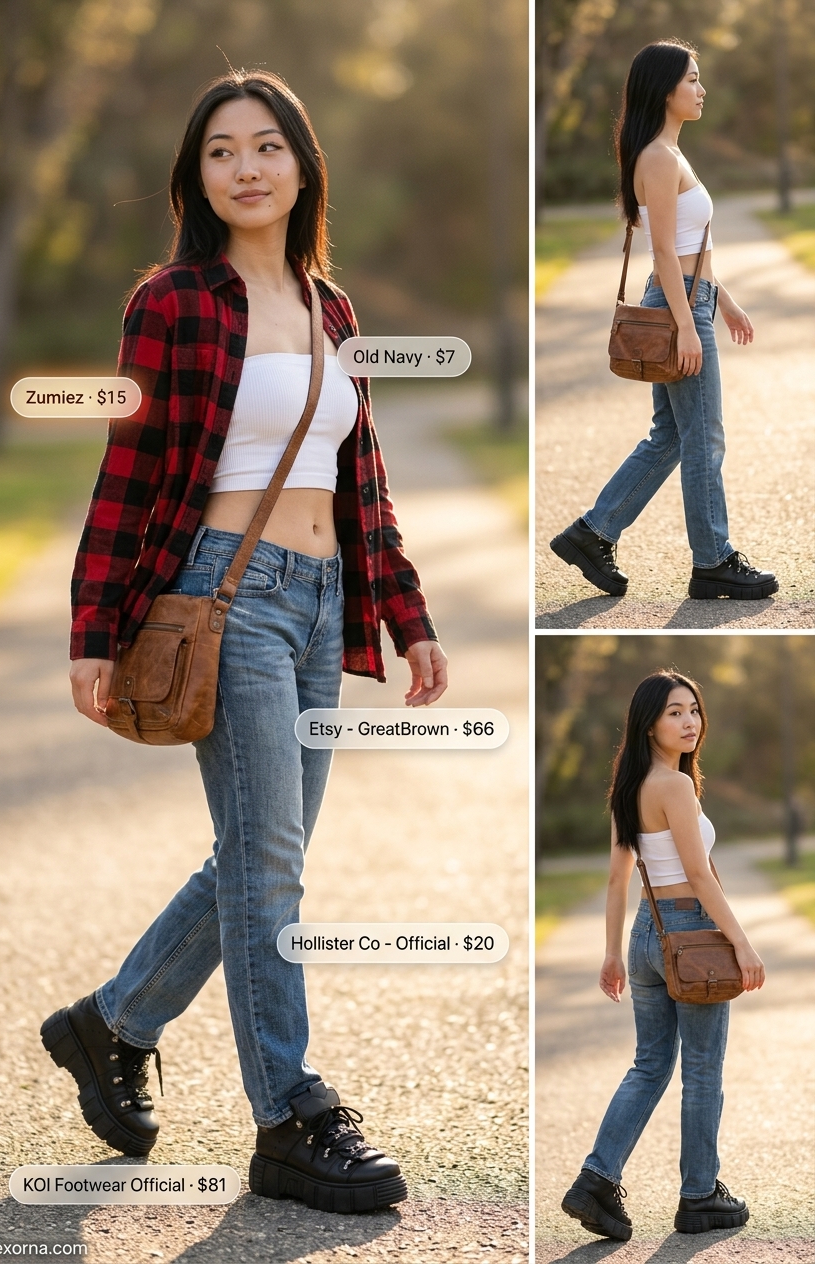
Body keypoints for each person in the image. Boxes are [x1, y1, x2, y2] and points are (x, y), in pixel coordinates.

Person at [39, 69, 448, 1216]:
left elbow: (363, 480)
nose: (246, 168)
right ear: (197, 176)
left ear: (303, 166)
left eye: (266, 146)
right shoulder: (172, 303)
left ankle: (110, 1022)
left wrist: (406, 615)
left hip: (320, 601)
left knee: (259, 858)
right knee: (269, 862)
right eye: (221, 151)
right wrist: (92, 630)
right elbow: (125, 470)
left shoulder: (333, 310)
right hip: (228, 596)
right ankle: (290, 1113)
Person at [550, 40, 778, 601]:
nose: (702, 90)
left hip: (691, 302)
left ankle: (593, 533)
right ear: (664, 88)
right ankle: (714, 561)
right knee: (704, 438)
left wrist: (723, 301)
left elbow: (690, 249)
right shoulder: (657, 157)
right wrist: (687, 325)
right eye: (692, 79)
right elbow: (663, 253)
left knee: (673, 434)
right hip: (677, 309)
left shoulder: (670, 153)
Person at [560, 670, 765, 1239]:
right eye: (675, 712)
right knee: (701, 1070)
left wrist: (613, 953)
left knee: (650, 1064)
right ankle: (699, 1195)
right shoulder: (674, 786)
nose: (689, 721)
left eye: (693, 710)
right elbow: (698, 875)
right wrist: (741, 942)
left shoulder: (630, 787)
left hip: (647, 934)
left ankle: (595, 1180)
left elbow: (617, 878)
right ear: (649, 723)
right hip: (692, 935)